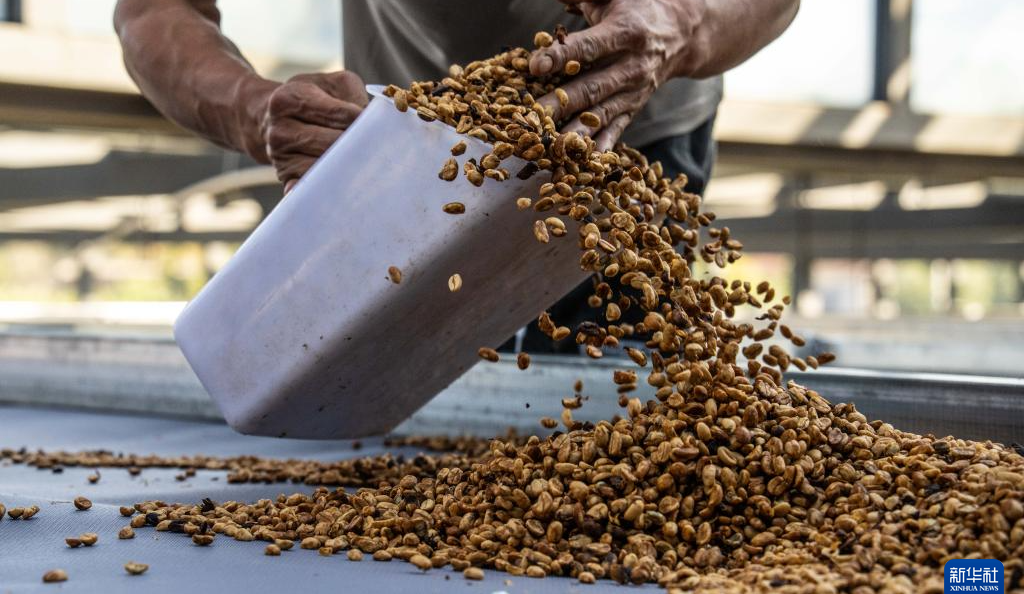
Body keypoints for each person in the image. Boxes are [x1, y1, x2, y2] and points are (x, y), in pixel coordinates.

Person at [114, 0, 798, 353]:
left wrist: (681, 23)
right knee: (411, 414)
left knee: (620, 414)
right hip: (410, 147)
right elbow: (151, 13)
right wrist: (254, 110)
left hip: (627, 123)